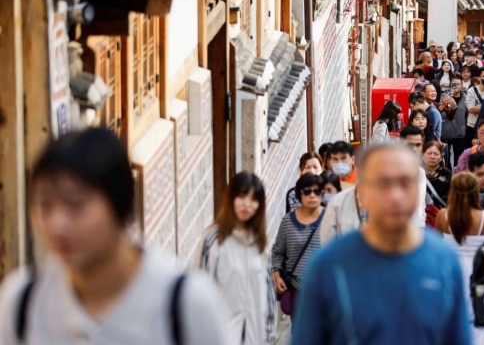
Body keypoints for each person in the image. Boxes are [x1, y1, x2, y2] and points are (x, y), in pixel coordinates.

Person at [0, 128, 228, 345]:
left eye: (75, 205)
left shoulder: (185, 306)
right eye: (45, 206)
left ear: (120, 204)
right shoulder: (22, 304)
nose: (57, 225)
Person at [293, 143, 472, 344]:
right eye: (383, 183)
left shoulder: (444, 261)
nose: (395, 196)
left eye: (405, 183)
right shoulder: (328, 266)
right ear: (362, 190)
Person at [199, 172, 276, 345]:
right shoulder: (214, 239)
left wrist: (268, 333)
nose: (247, 205)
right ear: (231, 198)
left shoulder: (259, 243)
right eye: (242, 197)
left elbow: (268, 290)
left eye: (254, 199)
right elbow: (201, 287)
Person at [435, 173, 484, 345]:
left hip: (451, 271)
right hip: (478, 272)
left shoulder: (442, 215)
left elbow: (437, 245)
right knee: (478, 316)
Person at [272, 173, 324, 317]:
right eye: (307, 191)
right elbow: (277, 252)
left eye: (317, 191)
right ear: (299, 194)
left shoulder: (331, 218)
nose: (312, 195)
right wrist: (277, 276)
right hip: (297, 288)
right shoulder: (287, 221)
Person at [466, 69, 484, 140]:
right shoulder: (471, 90)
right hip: (472, 124)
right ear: (479, 78)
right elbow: (471, 109)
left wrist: (479, 108)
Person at [424, 140, 452, 206]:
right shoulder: (417, 174)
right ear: (423, 155)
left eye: (436, 154)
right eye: (429, 153)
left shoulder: (447, 174)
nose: (432, 157)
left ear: (441, 157)